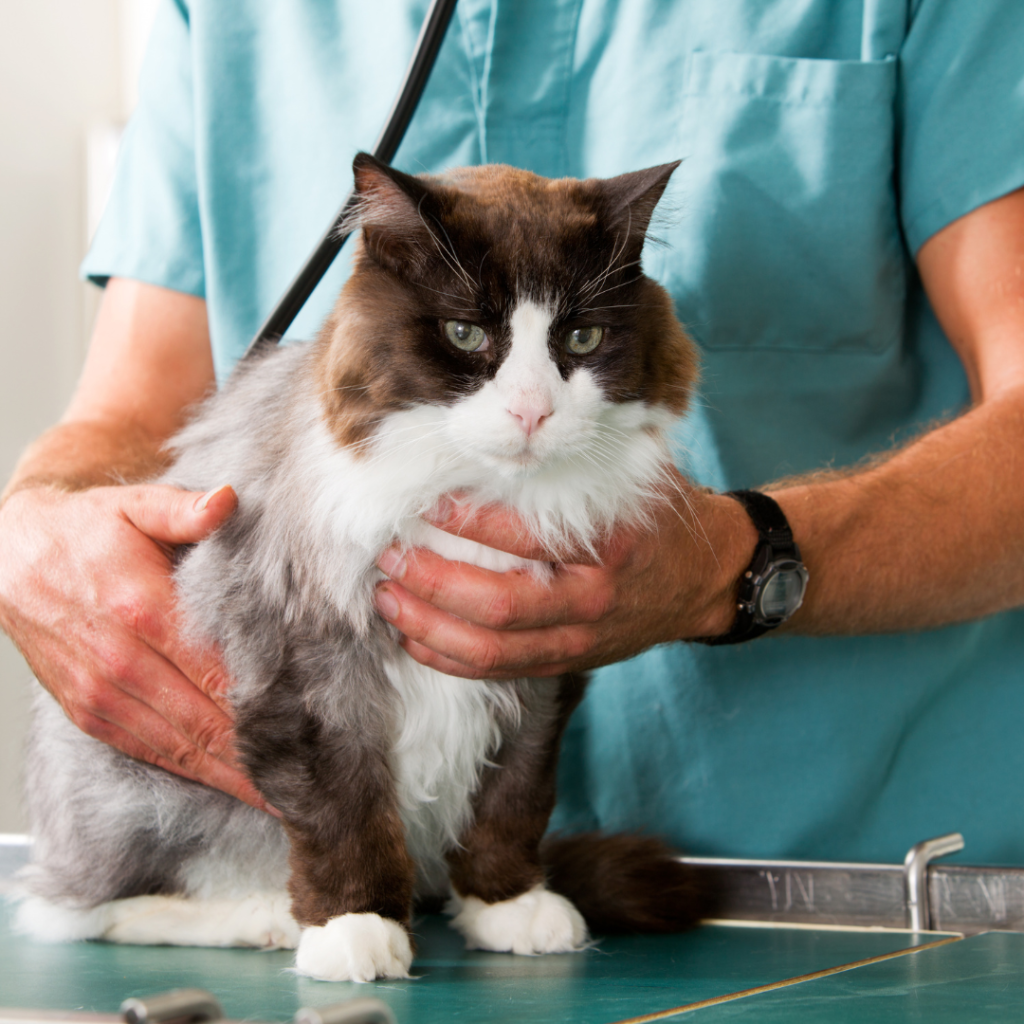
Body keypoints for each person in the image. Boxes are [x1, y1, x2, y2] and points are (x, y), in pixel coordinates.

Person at [2, 0, 1023, 863]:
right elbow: (131, 416)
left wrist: (730, 564)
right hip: (344, 888)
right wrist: (32, 531)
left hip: (841, 896)